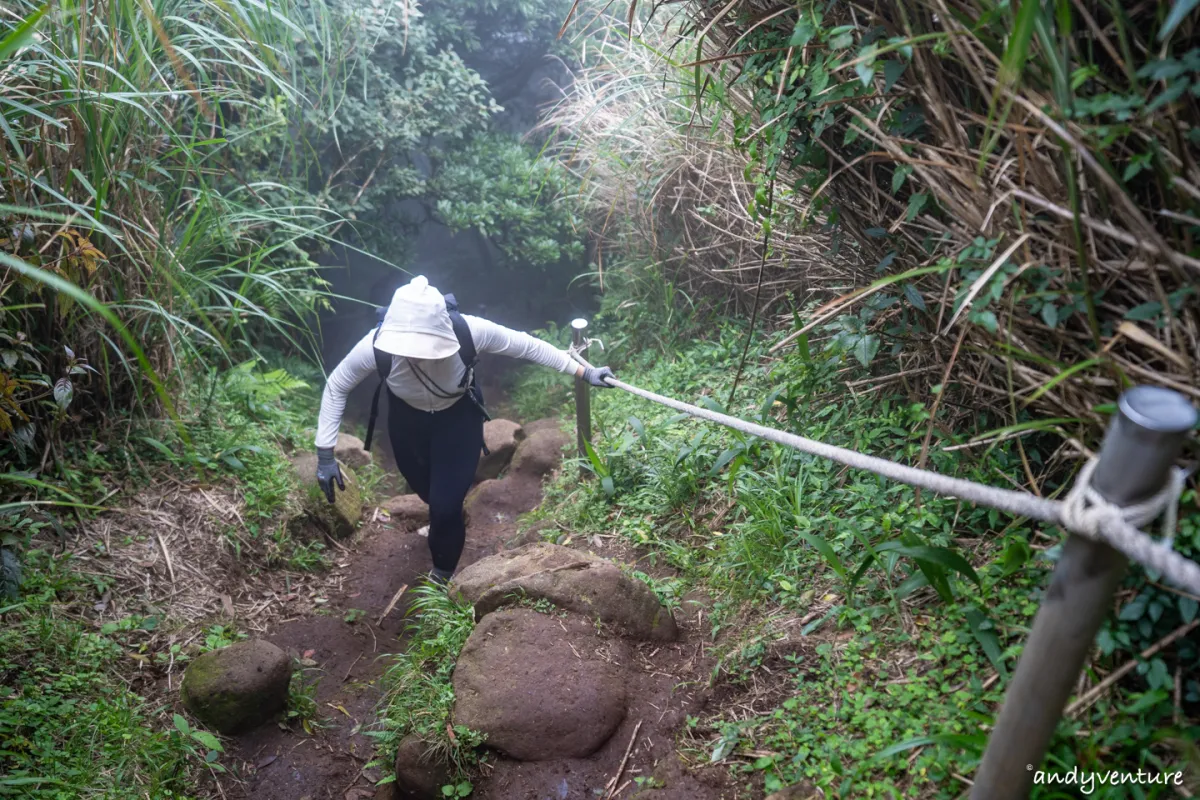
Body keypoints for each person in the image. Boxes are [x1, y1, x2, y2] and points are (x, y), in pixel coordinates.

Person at [314, 275, 615, 584]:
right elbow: (338, 384)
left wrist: (583, 371)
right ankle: (444, 519)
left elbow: (527, 346)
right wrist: (325, 454)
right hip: (407, 423)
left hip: (458, 419)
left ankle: (442, 575)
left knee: (445, 507)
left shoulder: (469, 331)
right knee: (427, 492)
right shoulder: (375, 346)